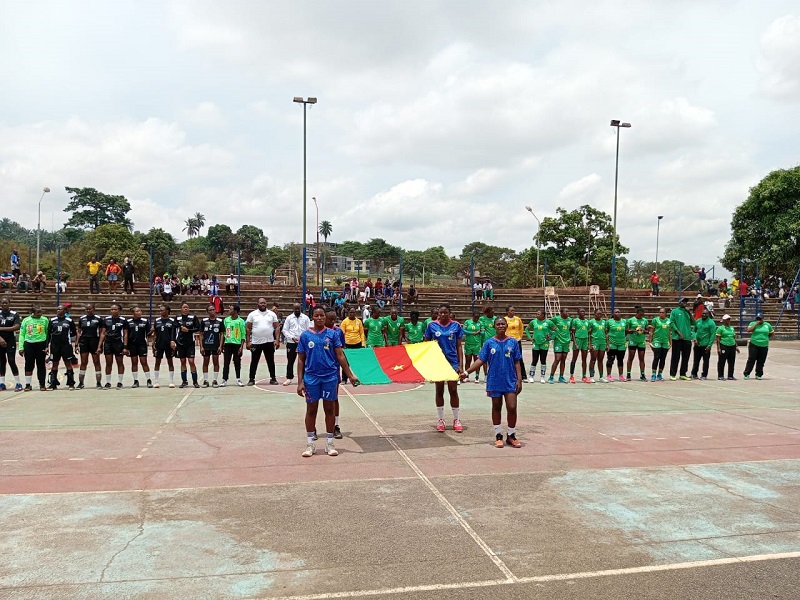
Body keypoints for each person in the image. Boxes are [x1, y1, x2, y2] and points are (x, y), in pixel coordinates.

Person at [297, 307, 359, 458]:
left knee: (329, 409)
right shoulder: (305, 336)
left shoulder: (332, 334)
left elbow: (340, 355)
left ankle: (330, 443)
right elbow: (300, 360)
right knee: (311, 410)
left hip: (330, 377)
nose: (319, 318)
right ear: (312, 317)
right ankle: (310, 444)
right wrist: (300, 382)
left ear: (325, 317)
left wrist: (350, 375)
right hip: (311, 378)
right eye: (316, 315)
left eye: (322, 315)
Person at [460, 316, 522, 448]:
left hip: (510, 380)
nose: (501, 326)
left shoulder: (513, 342)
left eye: (503, 324)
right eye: (498, 324)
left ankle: (511, 435)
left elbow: (517, 361)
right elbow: (480, 360)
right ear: (494, 327)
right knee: (496, 407)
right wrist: (466, 372)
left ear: (506, 326)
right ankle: (498, 435)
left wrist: (519, 379)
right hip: (494, 380)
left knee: (512, 407)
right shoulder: (489, 343)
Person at [424, 303, 464, 433]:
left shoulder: (456, 326)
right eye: (440, 312)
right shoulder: (431, 325)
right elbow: (426, 345)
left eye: (445, 312)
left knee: (453, 390)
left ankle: (456, 419)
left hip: (452, 362)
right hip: (438, 362)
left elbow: (459, 346)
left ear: (449, 313)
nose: (443, 314)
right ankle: (441, 420)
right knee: (439, 390)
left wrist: (461, 365)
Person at [246, 297, 281, 385]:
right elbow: (248, 328)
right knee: (254, 361)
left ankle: (273, 378)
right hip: (256, 342)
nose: (263, 304)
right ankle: (251, 379)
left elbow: (277, 327)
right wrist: (248, 341)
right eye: (261, 303)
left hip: (269, 341)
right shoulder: (252, 314)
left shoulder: (271, 314)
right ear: (257, 304)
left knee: (270, 361)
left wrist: (277, 340)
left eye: (264, 303)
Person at [19, 305, 49, 391]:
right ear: (33, 312)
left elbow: (47, 333)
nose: (40, 313)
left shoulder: (45, 320)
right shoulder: (26, 320)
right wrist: (21, 347)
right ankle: (28, 384)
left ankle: (42, 384)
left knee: (41, 364)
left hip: (41, 343)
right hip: (29, 344)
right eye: (38, 312)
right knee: (29, 364)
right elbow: (22, 334)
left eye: (41, 311)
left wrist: (47, 346)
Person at [48, 304, 77, 390]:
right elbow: (49, 333)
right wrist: (47, 346)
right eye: (58, 309)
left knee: (68, 363)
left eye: (61, 309)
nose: (59, 310)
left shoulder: (69, 320)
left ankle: (71, 383)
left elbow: (73, 332)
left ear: (65, 311)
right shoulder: (52, 320)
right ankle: (53, 383)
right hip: (54, 345)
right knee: (55, 363)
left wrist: (65, 337)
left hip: (66, 345)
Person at [76, 304, 104, 389]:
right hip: (84, 341)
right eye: (87, 309)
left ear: (93, 309)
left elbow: (101, 333)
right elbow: (79, 332)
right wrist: (76, 343)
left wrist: (99, 346)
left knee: (96, 361)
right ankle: (81, 383)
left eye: (90, 309)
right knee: (84, 362)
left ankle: (98, 383)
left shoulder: (98, 319)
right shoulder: (82, 319)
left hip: (94, 341)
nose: (88, 310)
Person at [282, 303, 311, 386]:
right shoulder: (289, 318)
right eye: (296, 309)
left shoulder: (305, 318)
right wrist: (292, 337)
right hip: (291, 342)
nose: (297, 310)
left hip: (303, 343)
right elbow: (285, 330)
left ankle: (304, 378)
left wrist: (303, 338)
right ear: (293, 309)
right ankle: (289, 378)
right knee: (290, 360)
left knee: (304, 360)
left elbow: (309, 329)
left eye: (298, 308)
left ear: (301, 308)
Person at [100, 303, 128, 389]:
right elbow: (103, 333)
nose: (113, 311)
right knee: (108, 363)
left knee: (120, 362)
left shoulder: (123, 320)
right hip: (108, 343)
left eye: (115, 309)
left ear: (119, 310)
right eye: (112, 309)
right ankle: (108, 382)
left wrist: (125, 346)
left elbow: (125, 334)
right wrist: (99, 345)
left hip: (118, 343)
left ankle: (120, 382)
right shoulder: (106, 320)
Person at [175, 301, 201, 388]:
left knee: (191, 361)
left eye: (187, 307)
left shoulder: (193, 317)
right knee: (182, 361)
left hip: (190, 342)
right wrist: (173, 340)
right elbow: (174, 329)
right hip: (180, 343)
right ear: (181, 309)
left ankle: (195, 381)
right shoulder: (177, 318)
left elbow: (198, 328)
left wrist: (188, 330)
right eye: (184, 307)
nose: (186, 308)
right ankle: (184, 381)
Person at [124, 306, 151, 388]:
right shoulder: (128, 322)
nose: (140, 312)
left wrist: (150, 336)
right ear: (133, 313)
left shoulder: (145, 321)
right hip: (132, 344)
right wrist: (125, 346)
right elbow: (126, 334)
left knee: (144, 361)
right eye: (137, 311)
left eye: (140, 311)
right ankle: (135, 381)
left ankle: (149, 380)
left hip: (142, 344)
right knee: (134, 362)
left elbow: (148, 333)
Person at [151, 304, 177, 388]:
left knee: (170, 362)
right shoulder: (157, 320)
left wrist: (173, 342)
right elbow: (155, 333)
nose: (160, 312)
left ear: (167, 311)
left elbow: (174, 332)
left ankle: (171, 381)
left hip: (169, 344)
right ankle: (156, 381)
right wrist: (153, 343)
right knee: (157, 362)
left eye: (162, 310)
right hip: (159, 344)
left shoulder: (172, 321)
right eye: (160, 310)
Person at [220, 304, 246, 387]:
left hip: (237, 344)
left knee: (237, 361)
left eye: (231, 309)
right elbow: (223, 333)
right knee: (226, 362)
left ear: (235, 311)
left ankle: (238, 379)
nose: (229, 311)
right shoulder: (226, 320)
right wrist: (222, 345)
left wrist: (241, 347)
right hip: (228, 344)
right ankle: (224, 379)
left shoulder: (241, 321)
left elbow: (243, 334)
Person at [0, 297, 22, 391]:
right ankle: (2, 383)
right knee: (1, 362)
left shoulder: (14, 314)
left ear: (9, 303)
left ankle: (18, 383)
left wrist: (2, 329)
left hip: (10, 340)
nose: (4, 304)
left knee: (11, 360)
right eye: (3, 303)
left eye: (6, 303)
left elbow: (17, 327)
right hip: (0, 340)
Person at [669, 297, 694, 380]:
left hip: (687, 337)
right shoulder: (674, 311)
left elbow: (694, 322)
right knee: (675, 357)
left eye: (686, 301)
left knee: (686, 357)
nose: (685, 303)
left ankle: (683, 374)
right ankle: (672, 374)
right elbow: (671, 322)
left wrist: (689, 313)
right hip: (677, 338)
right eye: (683, 301)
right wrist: (678, 332)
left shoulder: (687, 312)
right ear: (679, 302)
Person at [743, 314, 774, 380]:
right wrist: (756, 324)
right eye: (757, 319)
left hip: (764, 345)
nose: (759, 320)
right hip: (754, 344)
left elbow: (772, 333)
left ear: (763, 319)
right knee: (751, 359)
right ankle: (747, 373)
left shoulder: (767, 325)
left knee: (761, 360)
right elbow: (749, 330)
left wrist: (766, 338)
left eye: (760, 319)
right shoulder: (752, 323)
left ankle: (759, 374)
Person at [199, 304, 223, 387]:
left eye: (213, 309)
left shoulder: (220, 321)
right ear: (207, 312)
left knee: (216, 362)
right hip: (206, 345)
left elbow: (221, 334)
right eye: (210, 310)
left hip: (215, 345)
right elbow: (201, 334)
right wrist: (201, 346)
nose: (212, 311)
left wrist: (220, 346)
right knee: (205, 362)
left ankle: (215, 380)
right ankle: (205, 380)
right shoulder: (204, 321)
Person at [526, 308, 552, 384]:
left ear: (543, 315)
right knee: (534, 360)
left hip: (544, 343)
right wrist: (530, 337)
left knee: (543, 360)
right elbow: (527, 329)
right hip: (536, 343)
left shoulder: (548, 322)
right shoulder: (533, 321)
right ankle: (531, 376)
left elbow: (556, 330)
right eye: (536, 314)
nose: (536, 315)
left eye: (538, 314)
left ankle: (542, 377)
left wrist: (551, 337)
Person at [690, 309, 717, 380]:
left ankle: (704, 375)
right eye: (703, 313)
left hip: (705, 345)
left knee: (705, 361)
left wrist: (709, 345)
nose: (704, 315)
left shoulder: (711, 323)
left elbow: (712, 335)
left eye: (705, 314)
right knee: (696, 360)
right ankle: (694, 374)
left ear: (708, 314)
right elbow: (694, 331)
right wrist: (695, 338)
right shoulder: (698, 321)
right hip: (697, 345)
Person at [548, 307, 571, 384]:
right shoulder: (556, 319)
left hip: (566, 342)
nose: (568, 313)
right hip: (558, 341)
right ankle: (551, 376)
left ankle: (561, 377)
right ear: (561, 312)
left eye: (568, 311)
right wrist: (551, 334)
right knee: (557, 359)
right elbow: (549, 325)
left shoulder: (570, 320)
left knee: (563, 360)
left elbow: (570, 329)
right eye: (566, 311)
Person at [648, 307, 671, 381]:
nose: (661, 314)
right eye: (660, 312)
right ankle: (653, 374)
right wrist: (650, 342)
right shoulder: (655, 320)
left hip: (665, 341)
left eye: (662, 312)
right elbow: (652, 331)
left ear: (665, 313)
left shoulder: (669, 321)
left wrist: (670, 343)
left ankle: (660, 374)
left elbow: (669, 332)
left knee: (663, 358)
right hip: (657, 341)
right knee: (656, 357)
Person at [625, 306, 649, 381]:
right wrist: (634, 330)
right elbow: (627, 331)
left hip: (641, 341)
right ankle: (628, 374)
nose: (641, 316)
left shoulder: (645, 320)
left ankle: (642, 374)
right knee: (630, 357)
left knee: (641, 358)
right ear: (637, 313)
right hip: (633, 341)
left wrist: (643, 331)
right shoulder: (631, 320)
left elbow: (647, 331)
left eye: (642, 315)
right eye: (640, 314)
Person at [504, 305, 527, 381]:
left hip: (517, 341)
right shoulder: (505, 319)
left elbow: (521, 328)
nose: (513, 312)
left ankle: (523, 376)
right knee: (508, 356)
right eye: (511, 310)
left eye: (514, 310)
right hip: (508, 342)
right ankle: (508, 375)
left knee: (519, 357)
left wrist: (519, 337)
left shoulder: (518, 319)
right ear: (507, 312)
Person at [569, 308, 591, 383]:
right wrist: (575, 343)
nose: (583, 312)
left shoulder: (587, 321)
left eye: (584, 311)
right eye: (581, 311)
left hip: (585, 340)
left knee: (584, 359)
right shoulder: (575, 321)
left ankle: (584, 376)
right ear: (578, 312)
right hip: (578, 339)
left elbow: (589, 333)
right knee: (574, 358)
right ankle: (571, 376)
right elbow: (572, 333)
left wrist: (589, 343)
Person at [605, 309, 627, 382]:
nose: (618, 313)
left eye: (619, 312)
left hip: (622, 344)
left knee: (620, 360)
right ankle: (609, 375)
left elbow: (626, 331)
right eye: (616, 312)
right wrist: (607, 344)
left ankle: (621, 375)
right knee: (610, 360)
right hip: (612, 343)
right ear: (613, 314)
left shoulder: (624, 321)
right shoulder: (609, 322)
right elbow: (606, 332)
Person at [716, 314, 739, 381]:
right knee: (722, 361)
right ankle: (720, 375)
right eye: (727, 319)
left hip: (732, 346)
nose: (728, 320)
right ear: (724, 320)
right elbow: (718, 339)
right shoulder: (720, 328)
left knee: (731, 361)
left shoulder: (732, 328)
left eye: (729, 319)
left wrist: (736, 346)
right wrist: (718, 348)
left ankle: (730, 375)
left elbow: (733, 338)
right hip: (724, 345)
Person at [463, 311, 484, 382]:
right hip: (468, 344)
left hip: (477, 344)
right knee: (468, 360)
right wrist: (472, 333)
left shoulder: (480, 323)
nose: (476, 319)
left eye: (477, 317)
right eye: (475, 317)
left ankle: (477, 377)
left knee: (476, 361)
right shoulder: (467, 322)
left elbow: (483, 333)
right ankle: (466, 376)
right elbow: (464, 330)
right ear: (472, 316)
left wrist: (479, 332)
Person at [478, 306, 497, 382]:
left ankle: (493, 374)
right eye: (492, 311)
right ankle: (486, 375)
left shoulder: (495, 318)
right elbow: (481, 328)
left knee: (494, 357)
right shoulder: (482, 319)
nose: (493, 312)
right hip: (486, 341)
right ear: (487, 313)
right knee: (485, 358)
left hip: (495, 341)